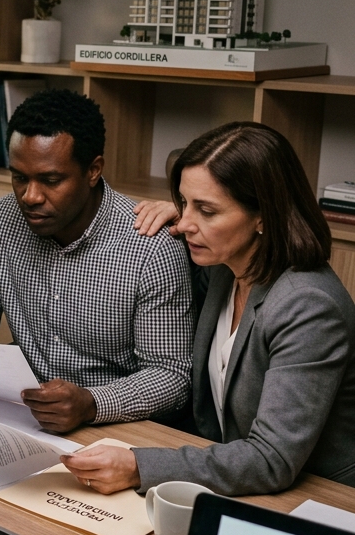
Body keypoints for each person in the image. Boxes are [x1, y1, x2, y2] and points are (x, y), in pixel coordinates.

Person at [63, 122, 355, 496]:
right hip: (233, 475)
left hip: (319, 498)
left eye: (207, 210)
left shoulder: (309, 306)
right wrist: (189, 212)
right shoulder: (225, 266)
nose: (185, 224)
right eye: (183, 202)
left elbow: (271, 460)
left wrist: (139, 467)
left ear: (263, 216)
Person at [0, 88, 193, 432]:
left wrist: (91, 403)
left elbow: (171, 377)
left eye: (51, 180)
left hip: (116, 427)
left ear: (93, 170)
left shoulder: (151, 247)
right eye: (19, 177)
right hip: (23, 415)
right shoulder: (0, 221)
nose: (30, 196)